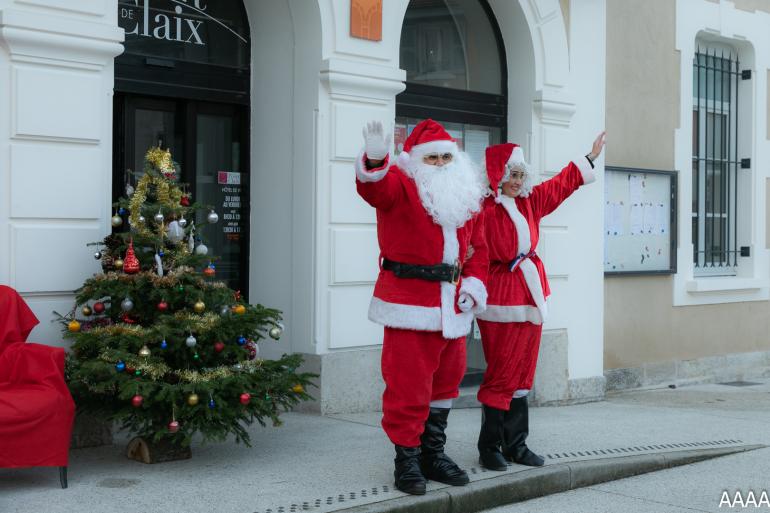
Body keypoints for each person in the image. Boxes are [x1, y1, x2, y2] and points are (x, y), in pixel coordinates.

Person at [355, 119, 489, 495]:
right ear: (416, 160)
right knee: (408, 387)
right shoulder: (401, 184)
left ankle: (433, 453)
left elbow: (479, 249)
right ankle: (407, 460)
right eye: (433, 157)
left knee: (447, 382)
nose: (443, 163)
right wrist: (376, 157)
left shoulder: (464, 195)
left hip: (454, 306)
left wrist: (475, 284)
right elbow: (375, 190)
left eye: (448, 155)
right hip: (409, 303)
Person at [475, 133, 605, 471]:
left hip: (530, 292)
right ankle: (489, 447)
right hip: (499, 294)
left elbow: (561, 185)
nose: (516, 182)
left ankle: (516, 444)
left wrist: (588, 158)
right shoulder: (483, 210)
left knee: (522, 372)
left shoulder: (531, 202)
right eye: (510, 175)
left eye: (520, 175)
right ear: (497, 176)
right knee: (501, 370)